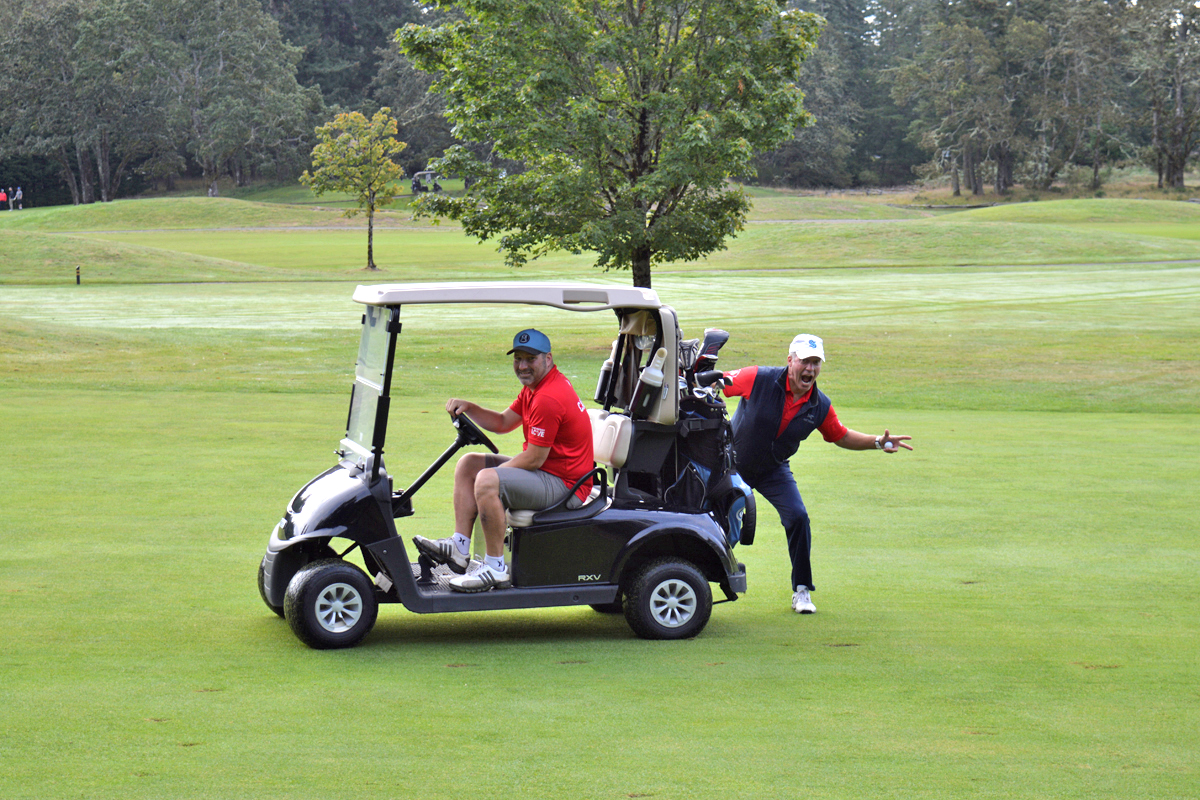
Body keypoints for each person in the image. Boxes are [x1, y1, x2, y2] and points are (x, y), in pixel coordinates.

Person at [722, 334, 912, 614]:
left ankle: (801, 590)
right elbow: (720, 381)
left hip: (773, 470)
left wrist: (877, 442)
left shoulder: (819, 405)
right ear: (790, 361)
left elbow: (840, 436)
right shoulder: (758, 378)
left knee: (798, 517)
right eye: (804, 361)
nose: (810, 369)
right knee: (710, 516)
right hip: (733, 463)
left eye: (816, 363)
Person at [413, 329, 595, 592]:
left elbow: (533, 458)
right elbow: (502, 422)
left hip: (567, 485)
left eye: (530, 359)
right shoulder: (536, 388)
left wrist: (490, 480)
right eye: (518, 359)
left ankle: (495, 568)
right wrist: (471, 408)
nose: (522, 366)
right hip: (549, 473)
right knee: (470, 464)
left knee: (486, 479)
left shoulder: (548, 397)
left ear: (548, 359)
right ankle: (459, 547)